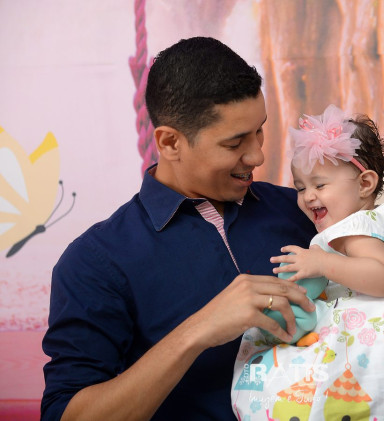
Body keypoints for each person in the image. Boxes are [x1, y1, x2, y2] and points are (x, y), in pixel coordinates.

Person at [41, 36, 318, 421]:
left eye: (259, 130)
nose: (257, 155)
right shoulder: (95, 261)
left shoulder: (300, 210)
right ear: (170, 142)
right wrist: (197, 331)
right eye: (235, 143)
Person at [231, 105, 384, 420]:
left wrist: (322, 263)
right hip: (351, 316)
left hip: (370, 322)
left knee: (343, 384)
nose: (308, 196)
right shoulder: (347, 225)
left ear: (365, 184)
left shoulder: (356, 228)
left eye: (319, 185)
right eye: (301, 187)